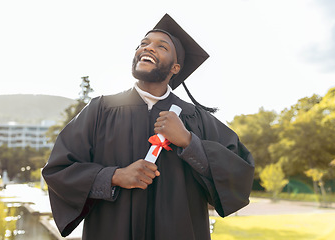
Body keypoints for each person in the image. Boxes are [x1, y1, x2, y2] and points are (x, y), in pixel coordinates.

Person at [42, 14, 254, 240]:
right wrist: (113, 176)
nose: (148, 48)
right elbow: (59, 170)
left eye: (161, 46)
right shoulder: (101, 110)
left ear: (175, 67)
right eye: (143, 44)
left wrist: (189, 142)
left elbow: (239, 174)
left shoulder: (194, 118)